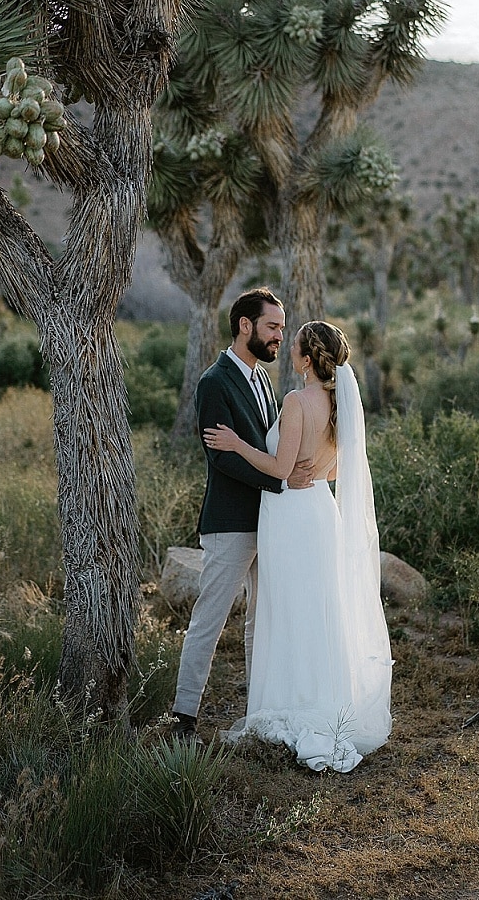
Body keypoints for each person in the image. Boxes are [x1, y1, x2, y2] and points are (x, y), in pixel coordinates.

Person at [203, 320, 392, 772]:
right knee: (318, 612)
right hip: (320, 513)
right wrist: (306, 470)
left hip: (289, 517)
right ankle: (325, 701)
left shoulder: (295, 402)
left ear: (308, 359)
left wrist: (235, 444)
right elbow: (330, 470)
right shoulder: (337, 405)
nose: (288, 351)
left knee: (287, 611)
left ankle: (291, 706)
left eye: (296, 348)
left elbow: (281, 468)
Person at [171, 288, 313, 743]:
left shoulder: (264, 382)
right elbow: (222, 459)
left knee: (262, 620)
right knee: (210, 618)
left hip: (270, 522)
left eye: (281, 329)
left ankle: (260, 711)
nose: (279, 337)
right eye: (272, 327)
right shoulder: (214, 382)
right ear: (245, 326)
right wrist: (279, 480)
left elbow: (269, 446)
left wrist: (296, 469)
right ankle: (184, 716)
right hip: (230, 522)